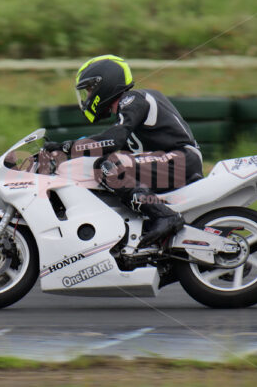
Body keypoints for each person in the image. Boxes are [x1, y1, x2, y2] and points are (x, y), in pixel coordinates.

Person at [45, 55, 204, 248]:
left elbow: (112, 140)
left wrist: (66, 147)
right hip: (173, 160)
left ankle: (165, 216)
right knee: (108, 166)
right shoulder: (126, 112)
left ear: (104, 84)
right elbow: (109, 142)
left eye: (89, 90)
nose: (87, 97)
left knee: (108, 166)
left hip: (180, 159)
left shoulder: (133, 99)